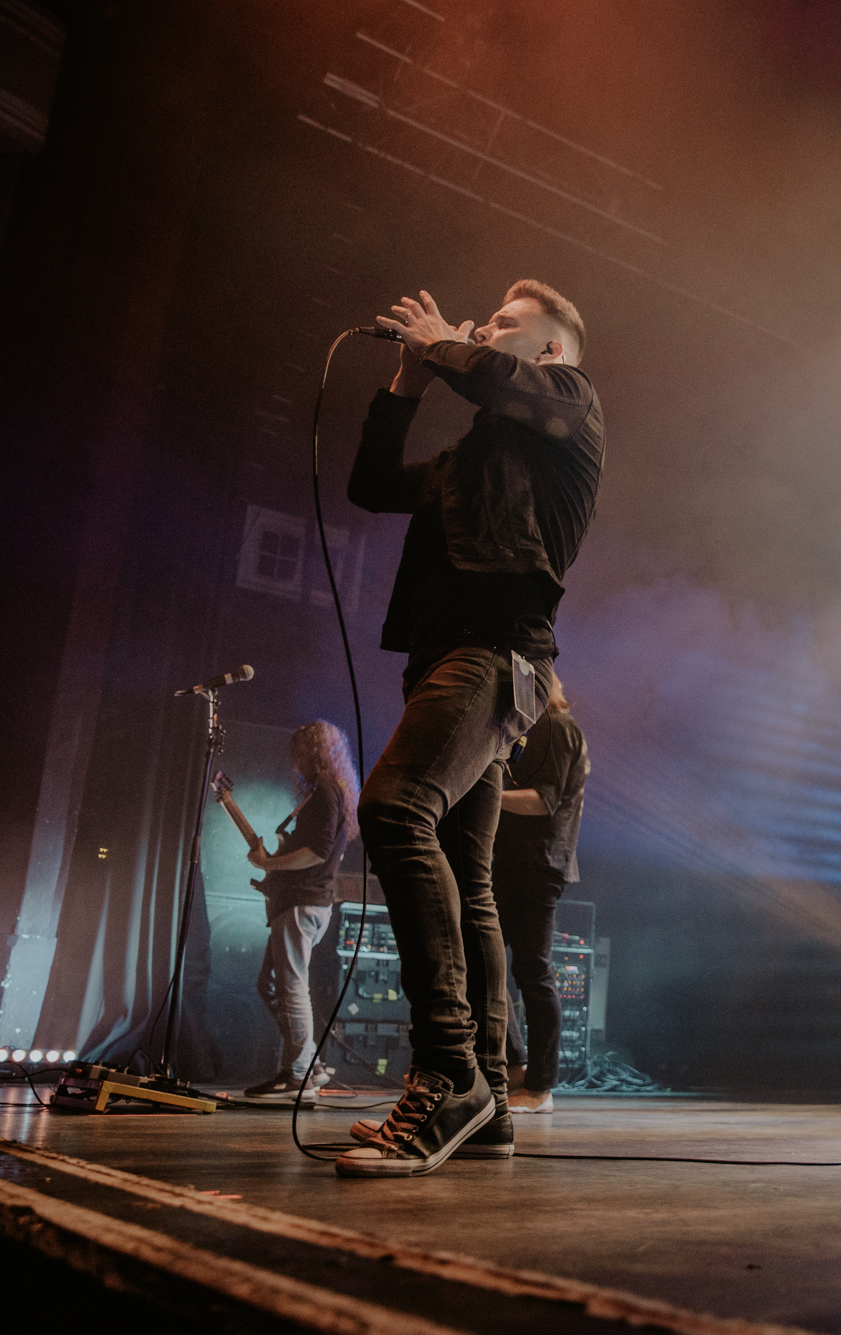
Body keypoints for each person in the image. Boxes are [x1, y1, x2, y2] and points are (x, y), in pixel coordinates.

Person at [339, 280, 603, 1177]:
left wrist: (444, 345)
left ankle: (448, 1070)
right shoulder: (470, 456)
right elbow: (371, 483)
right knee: (467, 876)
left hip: (494, 653)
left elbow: (501, 381)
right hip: (445, 658)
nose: (485, 330)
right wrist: (406, 383)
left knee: (392, 808)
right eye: (485, 323)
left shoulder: (570, 400)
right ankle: (487, 1098)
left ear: (550, 350)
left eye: (505, 325)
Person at [484, 674, 590, 1115]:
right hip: (517, 863)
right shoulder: (531, 734)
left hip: (538, 863)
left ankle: (541, 1086)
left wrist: (488, 791)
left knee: (531, 970)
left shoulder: (557, 727)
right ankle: (515, 1065)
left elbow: (544, 801)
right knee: (486, 960)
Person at [242, 720, 357, 1101]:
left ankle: (297, 1075)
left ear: (316, 752)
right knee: (270, 984)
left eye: (301, 752)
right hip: (299, 901)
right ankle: (311, 1065)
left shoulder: (325, 792)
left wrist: (269, 864)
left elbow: (317, 852)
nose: (296, 761)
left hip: (303, 902)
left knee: (291, 987)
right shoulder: (323, 793)